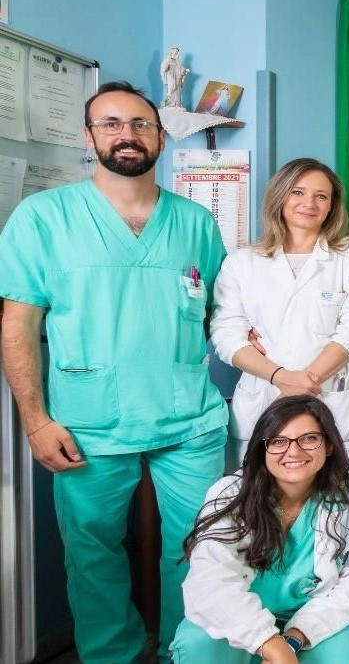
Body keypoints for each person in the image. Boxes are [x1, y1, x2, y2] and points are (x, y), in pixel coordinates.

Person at [0, 81, 228, 663]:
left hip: (188, 416)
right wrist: (35, 420)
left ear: (161, 138)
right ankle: (111, 656)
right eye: (111, 123)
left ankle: (189, 653)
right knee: (93, 553)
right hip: (88, 421)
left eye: (141, 124)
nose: (127, 134)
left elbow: (218, 315)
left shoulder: (196, 222)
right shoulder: (42, 217)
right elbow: (18, 326)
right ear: (89, 137)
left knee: (202, 549)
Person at [211, 158, 349, 481]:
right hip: (265, 396)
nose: (309, 203)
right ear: (280, 196)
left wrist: (302, 383)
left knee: (343, 501)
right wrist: (280, 377)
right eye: (298, 192)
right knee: (264, 500)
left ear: (332, 206)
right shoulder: (242, 263)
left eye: (321, 196)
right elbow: (226, 334)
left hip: (332, 399)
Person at [173, 396, 349, 663]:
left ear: (328, 445)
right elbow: (211, 580)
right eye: (278, 441)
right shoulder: (229, 495)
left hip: (321, 616)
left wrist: (294, 638)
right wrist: (269, 643)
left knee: (343, 656)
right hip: (238, 611)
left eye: (309, 438)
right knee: (198, 645)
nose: (294, 451)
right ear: (262, 449)